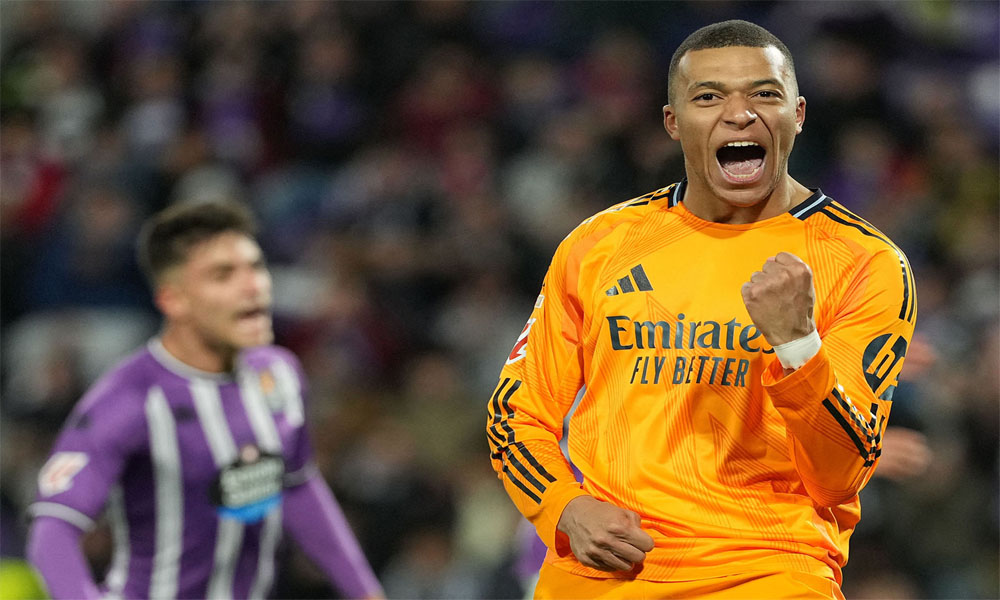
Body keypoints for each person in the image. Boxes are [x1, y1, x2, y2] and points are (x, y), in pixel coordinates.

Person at [488, 20, 916, 599]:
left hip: (765, 573)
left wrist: (798, 345)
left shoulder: (865, 262)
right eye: (709, 96)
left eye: (765, 94)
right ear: (673, 122)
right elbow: (516, 414)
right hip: (606, 572)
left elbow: (841, 474)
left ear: (798, 114)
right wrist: (565, 508)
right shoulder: (599, 244)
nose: (739, 114)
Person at [26, 201, 384, 600]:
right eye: (223, 275)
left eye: (256, 267)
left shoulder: (279, 374)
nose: (253, 286)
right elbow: (52, 531)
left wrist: (366, 592)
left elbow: (297, 485)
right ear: (174, 300)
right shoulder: (130, 398)